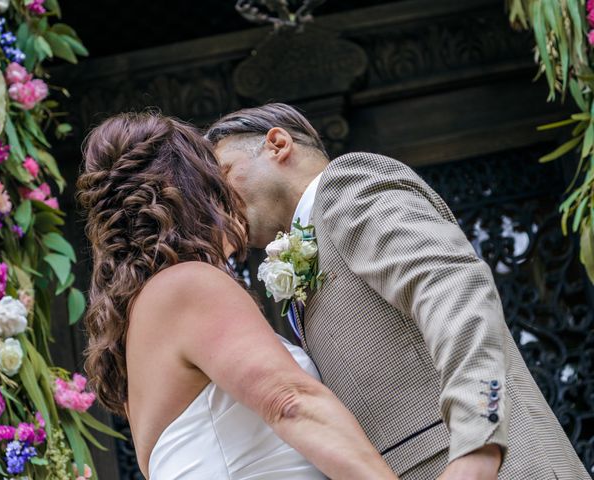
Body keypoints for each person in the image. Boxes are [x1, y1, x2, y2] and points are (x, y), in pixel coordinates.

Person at [206, 103, 590, 479]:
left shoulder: (346, 184)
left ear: (277, 144)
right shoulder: (310, 240)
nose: (219, 207)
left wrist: (479, 442)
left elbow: (454, 291)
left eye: (223, 176)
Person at [76, 111, 399, 480]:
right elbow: (290, 402)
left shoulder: (136, 333)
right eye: (216, 182)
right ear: (189, 192)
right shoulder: (187, 286)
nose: (232, 202)